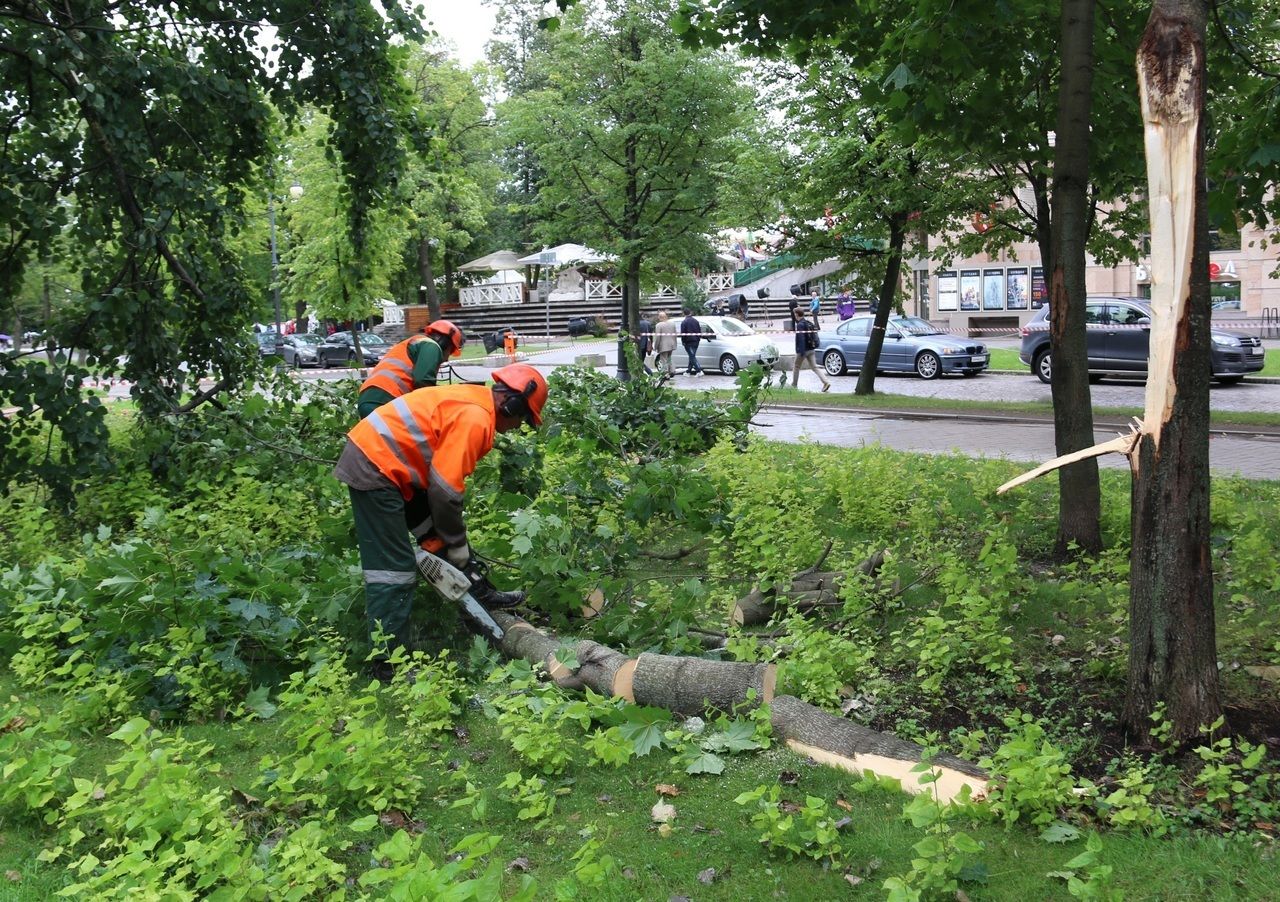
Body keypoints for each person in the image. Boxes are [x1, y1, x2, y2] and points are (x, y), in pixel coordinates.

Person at [334, 363, 549, 653]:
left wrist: (452, 544)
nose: (519, 426)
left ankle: (478, 592)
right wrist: (457, 542)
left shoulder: (476, 404)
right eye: (523, 418)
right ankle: (387, 664)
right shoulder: (476, 417)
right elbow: (445, 491)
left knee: (436, 539)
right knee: (393, 572)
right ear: (511, 404)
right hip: (377, 468)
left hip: (398, 470)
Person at [357, 320, 465, 419]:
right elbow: (423, 381)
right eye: (450, 351)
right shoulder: (431, 346)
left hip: (371, 398)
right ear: (445, 343)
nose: (446, 358)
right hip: (385, 399)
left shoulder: (416, 343)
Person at [791, 307, 830, 392]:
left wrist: (801, 352)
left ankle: (794, 385)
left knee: (796, 367)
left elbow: (801, 338)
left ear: (797, 314)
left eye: (794, 314)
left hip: (803, 350)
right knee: (815, 367)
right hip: (811, 349)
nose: (794, 315)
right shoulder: (808, 322)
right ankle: (826, 382)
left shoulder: (800, 325)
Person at [680, 310, 703, 376]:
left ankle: (699, 370)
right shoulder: (696, 321)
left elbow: (683, 333)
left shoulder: (684, 322)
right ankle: (688, 371)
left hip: (688, 341)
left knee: (692, 357)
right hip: (696, 341)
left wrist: (683, 341)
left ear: (684, 313)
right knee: (692, 356)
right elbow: (699, 331)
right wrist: (698, 338)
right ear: (690, 313)